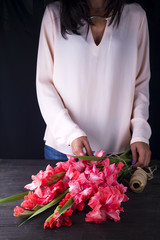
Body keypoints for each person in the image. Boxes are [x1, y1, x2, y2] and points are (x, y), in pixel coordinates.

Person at [36, 0, 151, 167]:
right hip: (64, 149)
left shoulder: (135, 16)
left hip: (117, 152)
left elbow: (140, 84)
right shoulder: (54, 14)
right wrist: (71, 133)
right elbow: (44, 84)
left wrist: (141, 134)